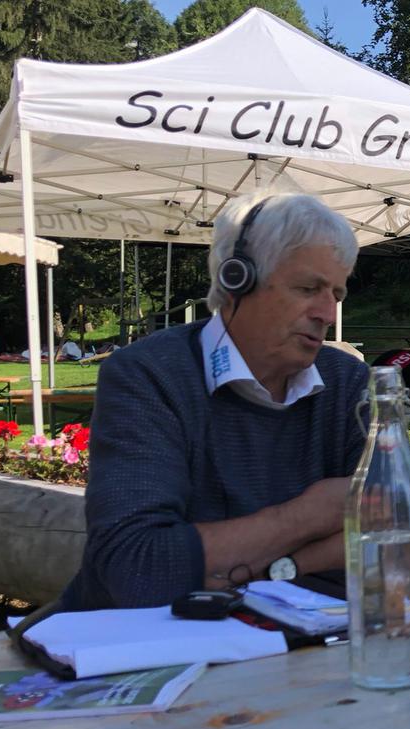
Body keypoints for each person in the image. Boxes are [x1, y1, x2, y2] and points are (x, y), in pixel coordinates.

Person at [61, 193, 367, 610]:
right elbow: (135, 566)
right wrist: (309, 515)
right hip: (150, 653)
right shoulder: (149, 375)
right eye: (308, 288)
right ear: (237, 279)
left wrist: (275, 565)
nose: (327, 314)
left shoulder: (347, 381)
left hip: (299, 650)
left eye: (336, 293)